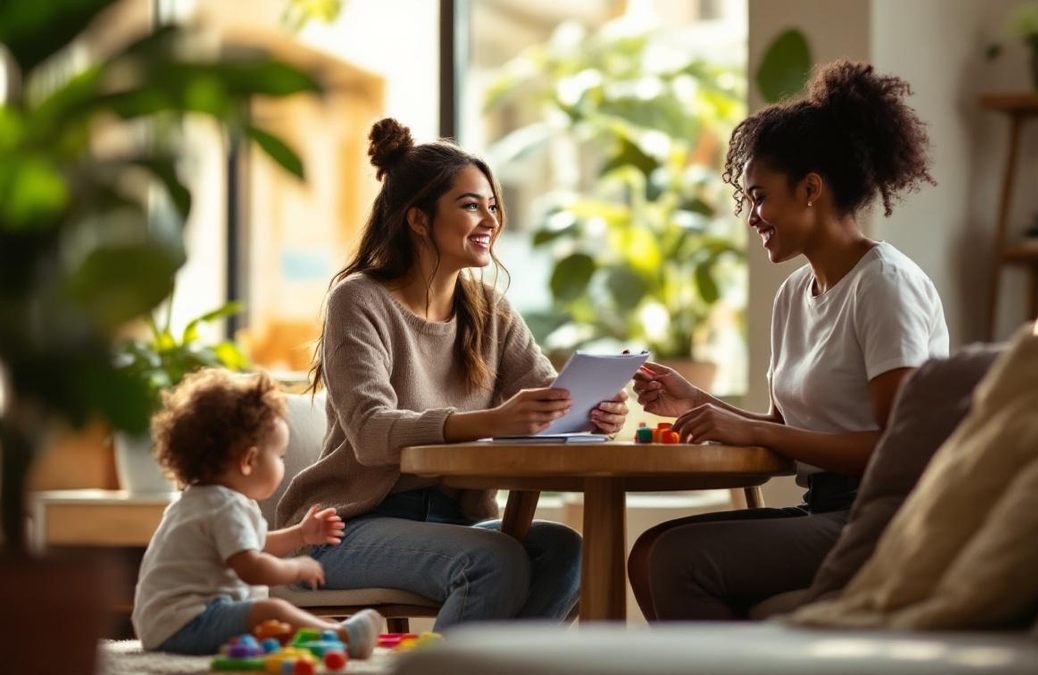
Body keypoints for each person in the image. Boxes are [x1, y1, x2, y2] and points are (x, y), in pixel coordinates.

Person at [627, 60, 949, 621]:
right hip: (823, 507)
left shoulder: (884, 285)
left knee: (676, 559)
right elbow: (786, 430)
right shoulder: (795, 293)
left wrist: (743, 425)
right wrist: (697, 403)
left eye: (759, 196)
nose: (752, 216)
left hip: (885, 514)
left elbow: (901, 446)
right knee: (649, 553)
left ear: (810, 189)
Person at [275, 119, 629, 629]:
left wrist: (590, 412)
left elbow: (545, 400)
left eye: (492, 205)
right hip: (343, 528)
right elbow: (373, 433)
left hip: (454, 519)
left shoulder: (489, 308)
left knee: (566, 549)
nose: (490, 219)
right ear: (418, 220)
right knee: (493, 560)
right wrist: (493, 421)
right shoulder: (359, 300)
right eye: (470, 205)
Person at [132, 368, 384, 656]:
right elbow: (252, 568)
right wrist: (296, 569)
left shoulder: (200, 500)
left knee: (276, 621)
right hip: (188, 622)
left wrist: (301, 534)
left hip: (168, 623)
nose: (282, 463)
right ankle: (342, 636)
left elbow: (255, 543)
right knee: (270, 610)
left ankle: (322, 633)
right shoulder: (224, 506)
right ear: (249, 460)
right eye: (280, 456)